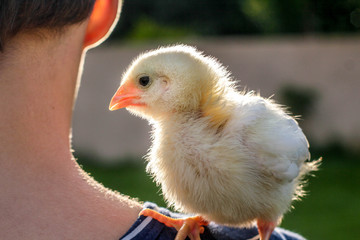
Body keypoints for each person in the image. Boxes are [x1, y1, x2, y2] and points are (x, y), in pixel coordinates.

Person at [0, 1, 305, 239]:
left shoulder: (257, 132)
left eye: (144, 82)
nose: (124, 94)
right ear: (102, 11)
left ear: (173, 83)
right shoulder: (177, 146)